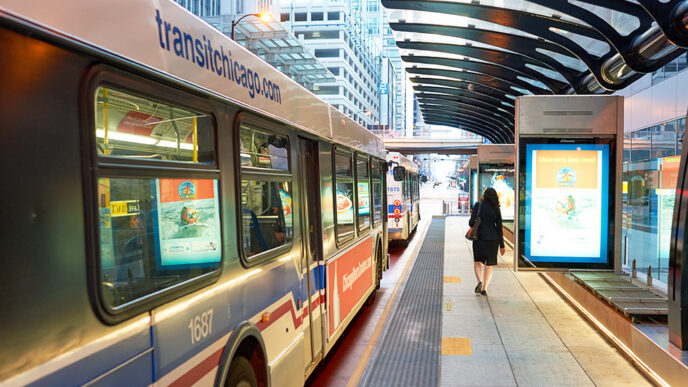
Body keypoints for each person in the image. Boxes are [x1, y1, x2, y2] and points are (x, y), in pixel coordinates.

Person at [469, 187, 505, 296]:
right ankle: (485, 288)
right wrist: (502, 245)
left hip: (479, 238)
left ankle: (479, 281)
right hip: (493, 240)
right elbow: (499, 227)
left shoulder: (478, 205)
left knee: (477, 261)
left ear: (484, 195)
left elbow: (471, 223)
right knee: (489, 265)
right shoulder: (496, 208)